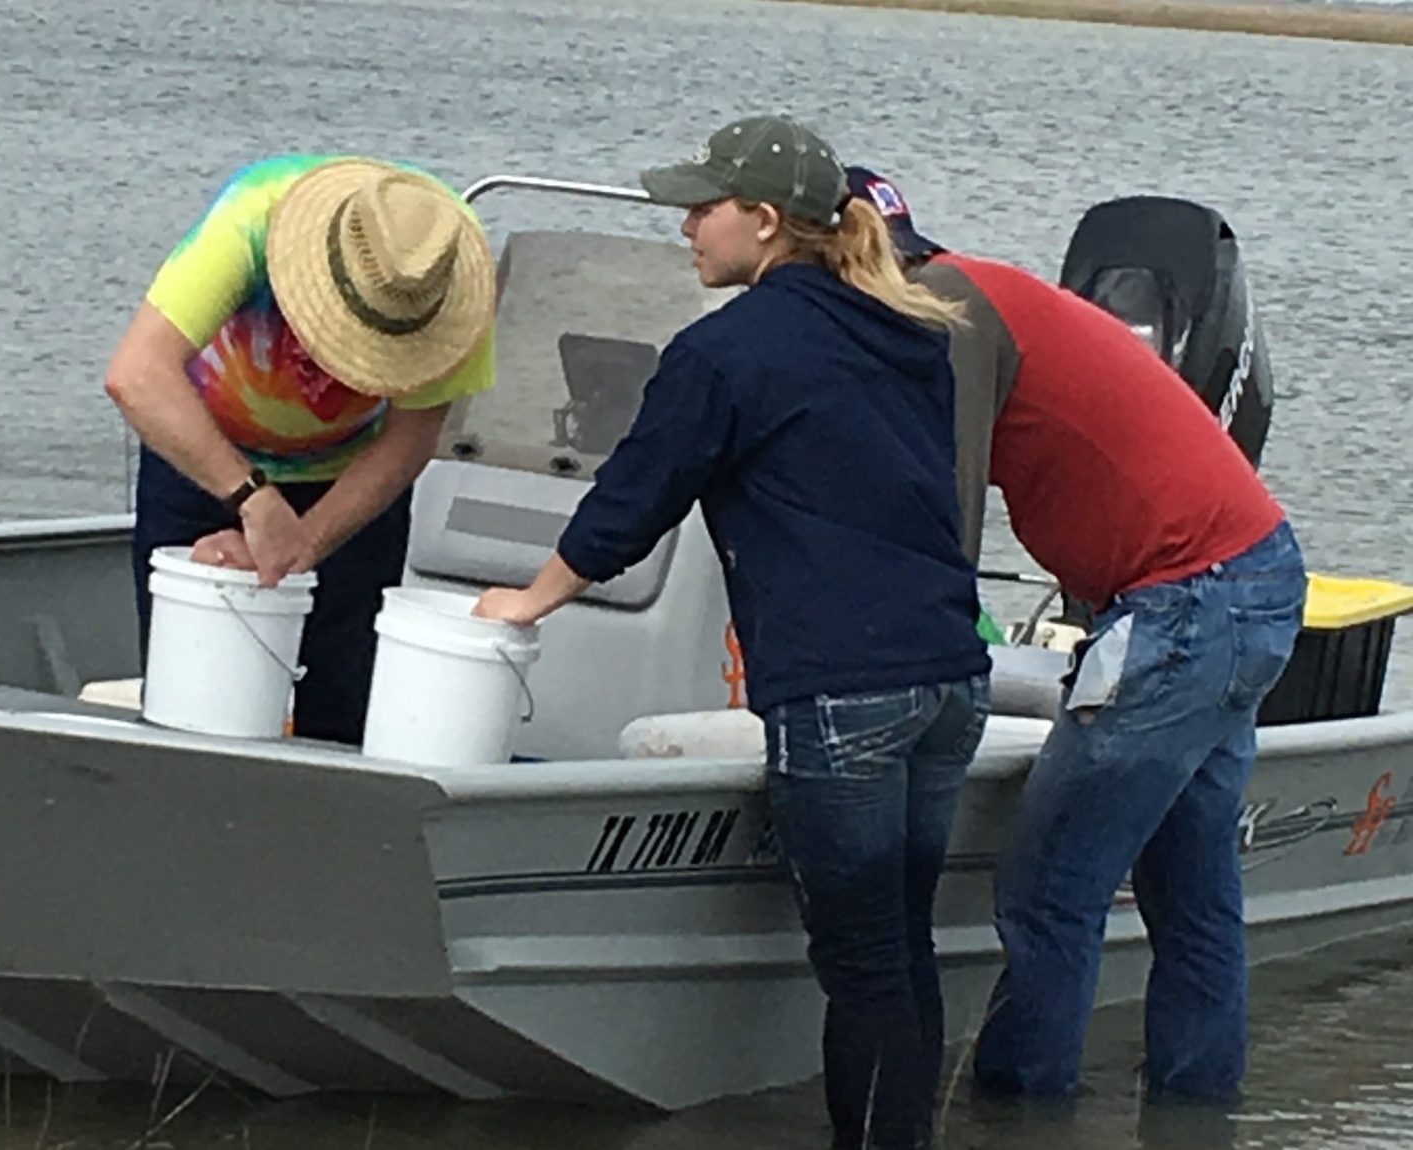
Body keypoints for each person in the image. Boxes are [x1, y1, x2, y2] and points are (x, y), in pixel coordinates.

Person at [471, 115, 992, 1150]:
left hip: (841, 691)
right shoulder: (905, 333)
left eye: (700, 209)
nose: (683, 227)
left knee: (859, 966)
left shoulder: (725, 349)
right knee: (900, 949)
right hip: (945, 677)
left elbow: (632, 500)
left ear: (763, 223)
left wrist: (525, 601)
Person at [845, 166, 1308, 1103]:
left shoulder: (946, 308)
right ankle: (1192, 1111)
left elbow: (947, 511)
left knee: (1051, 887)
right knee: (1193, 893)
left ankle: (1016, 1114)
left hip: (1185, 605)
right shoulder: (980, 289)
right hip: (1250, 577)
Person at [104, 155, 497, 746]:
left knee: (342, 711)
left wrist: (304, 543)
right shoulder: (251, 217)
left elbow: (410, 437)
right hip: (201, 457)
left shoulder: (446, 268)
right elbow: (136, 375)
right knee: (188, 701)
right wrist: (254, 503)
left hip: (351, 486)